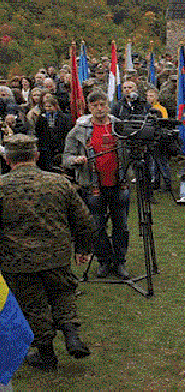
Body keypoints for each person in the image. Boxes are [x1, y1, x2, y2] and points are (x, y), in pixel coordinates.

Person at [0, 135, 93, 370]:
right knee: (63, 293)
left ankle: (46, 353)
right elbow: (83, 219)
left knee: (34, 304)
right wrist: (83, 248)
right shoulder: (59, 183)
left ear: (7, 158)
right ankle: (71, 334)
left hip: (17, 259)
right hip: (57, 254)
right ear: (36, 156)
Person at [63, 91, 132, 280]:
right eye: (95, 106)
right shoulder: (79, 130)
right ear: (89, 107)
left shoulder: (119, 126)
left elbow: (134, 151)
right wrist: (76, 159)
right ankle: (104, 260)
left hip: (120, 184)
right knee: (97, 225)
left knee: (122, 225)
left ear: (108, 105)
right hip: (93, 186)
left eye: (103, 105)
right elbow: (65, 158)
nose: (99, 109)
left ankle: (119, 262)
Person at [34, 95, 71, 172]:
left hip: (59, 144)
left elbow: (66, 130)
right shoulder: (41, 117)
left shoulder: (63, 117)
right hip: (46, 146)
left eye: (50, 106)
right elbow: (38, 130)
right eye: (46, 106)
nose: (48, 108)